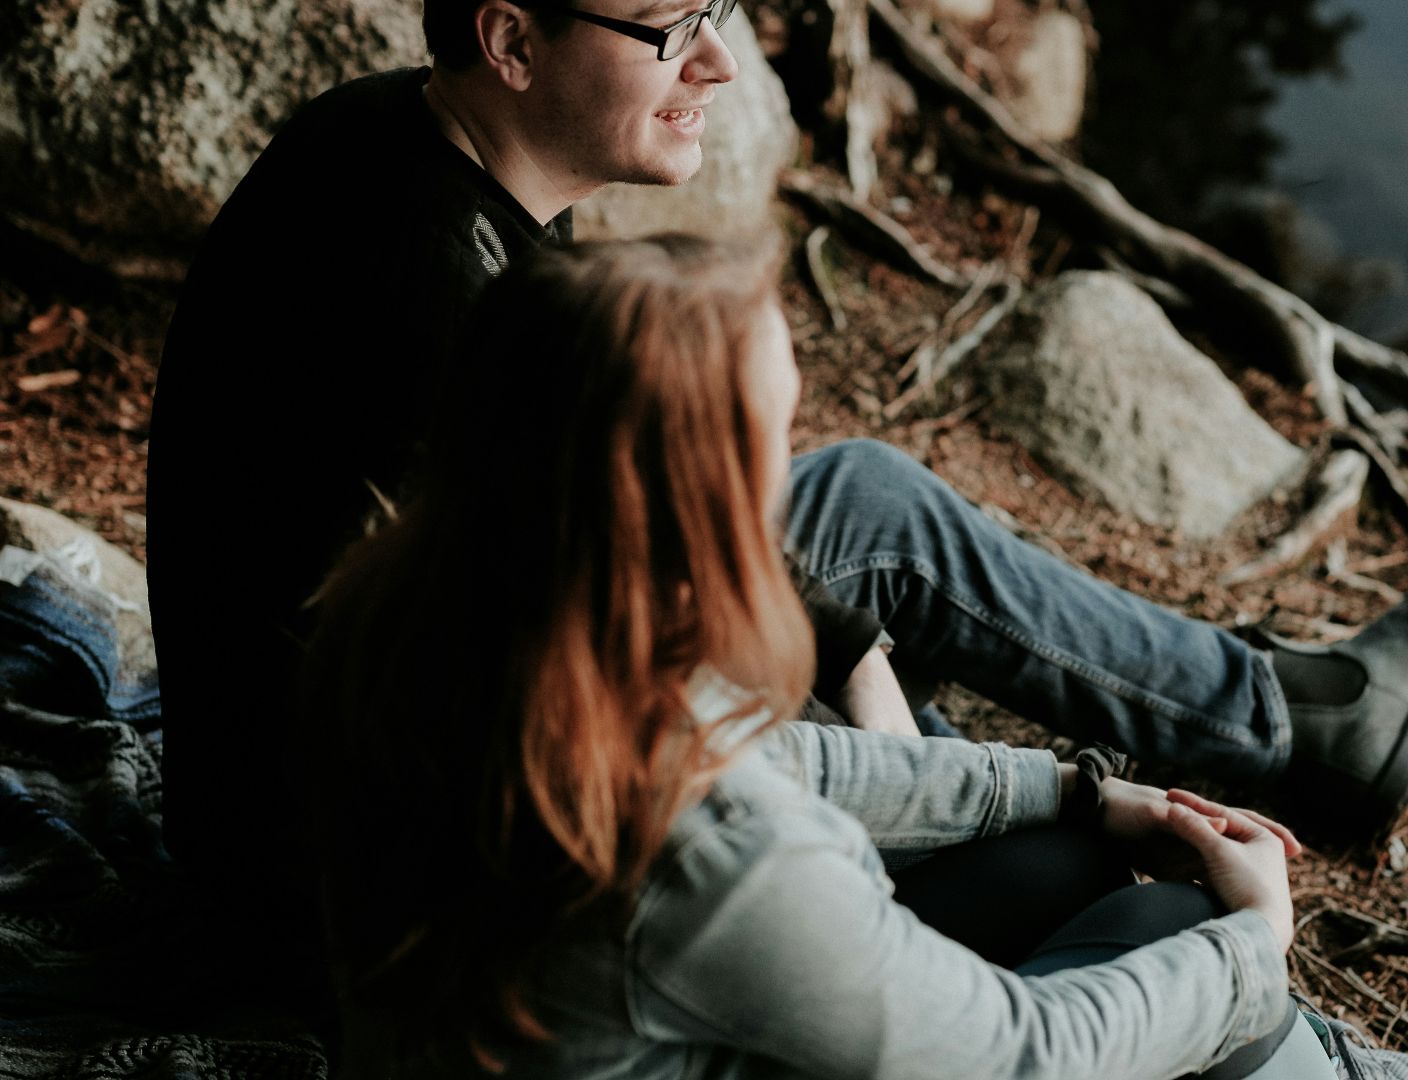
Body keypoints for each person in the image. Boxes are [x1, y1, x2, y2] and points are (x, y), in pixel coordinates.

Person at [147, 0, 1408, 958]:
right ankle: (1257, 746)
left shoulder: (412, 151)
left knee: (852, 506)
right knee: (864, 584)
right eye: (669, 31)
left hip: (415, 739)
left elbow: (648, 525)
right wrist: (903, 755)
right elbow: (647, 610)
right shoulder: (419, 289)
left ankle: (1294, 718)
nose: (719, 65)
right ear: (510, 40)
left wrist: (867, 687)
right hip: (343, 881)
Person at [301, 234, 1341, 1079]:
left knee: (1057, 856)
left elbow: (781, 759)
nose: (790, 478)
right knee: (1171, 931)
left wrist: (1070, 790)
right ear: (688, 510)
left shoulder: (453, 619)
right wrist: (1251, 943)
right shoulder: (700, 851)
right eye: (774, 440)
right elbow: (1026, 1053)